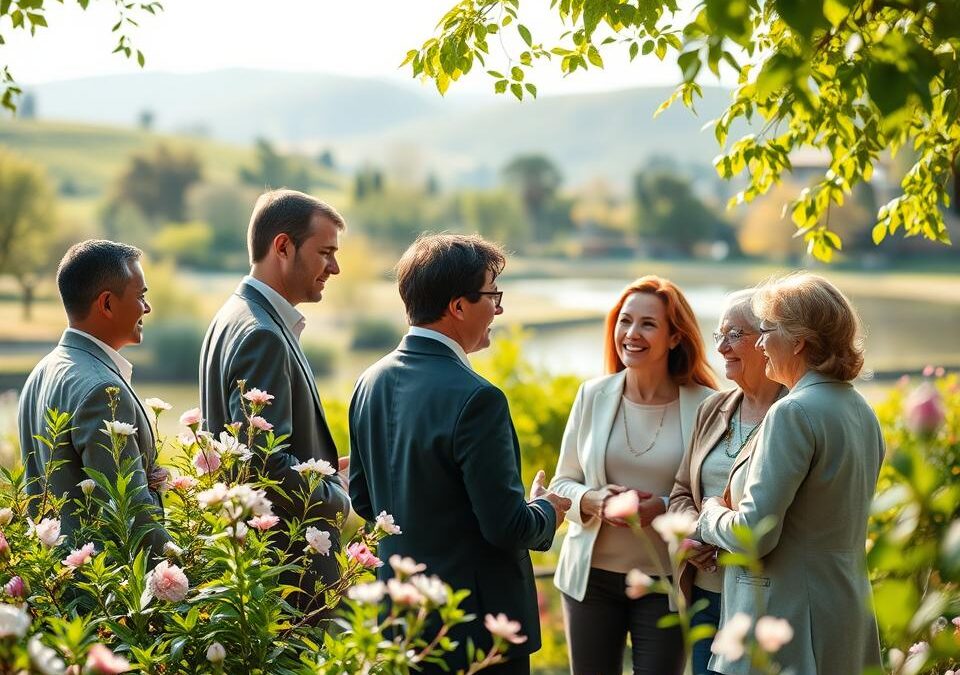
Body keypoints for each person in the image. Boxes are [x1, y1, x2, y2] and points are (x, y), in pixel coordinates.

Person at [348, 233, 570, 675]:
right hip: (473, 631)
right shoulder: (478, 399)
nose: (499, 309)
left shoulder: (368, 382)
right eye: (492, 295)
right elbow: (507, 527)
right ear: (458, 306)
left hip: (398, 622)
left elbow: (365, 502)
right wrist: (548, 509)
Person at [697, 273, 883, 675]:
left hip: (788, 624)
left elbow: (754, 536)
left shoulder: (791, 412)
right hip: (843, 616)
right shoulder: (860, 410)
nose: (760, 344)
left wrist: (710, 514)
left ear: (798, 341)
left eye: (766, 331)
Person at [551, 275, 718, 675]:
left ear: (675, 337)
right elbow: (562, 484)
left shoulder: (708, 405)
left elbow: (716, 497)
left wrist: (662, 510)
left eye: (648, 324)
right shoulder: (592, 395)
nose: (631, 333)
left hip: (666, 583)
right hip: (589, 582)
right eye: (625, 321)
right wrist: (597, 501)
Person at [199, 189, 350, 608]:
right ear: (283, 247)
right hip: (285, 580)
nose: (335, 267)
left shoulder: (231, 316)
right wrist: (338, 493)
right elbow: (262, 467)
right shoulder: (262, 333)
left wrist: (319, 469)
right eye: (325, 252)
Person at [19, 240, 169, 554]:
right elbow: (128, 513)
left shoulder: (40, 373)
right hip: (101, 591)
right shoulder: (101, 390)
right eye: (141, 296)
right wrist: (185, 569)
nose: (147, 307)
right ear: (107, 304)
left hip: (55, 586)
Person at [668, 289, 785, 675]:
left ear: (769, 340)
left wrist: (723, 536)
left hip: (763, 600)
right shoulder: (712, 408)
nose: (721, 347)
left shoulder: (794, 415)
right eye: (719, 334)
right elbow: (683, 490)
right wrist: (693, 535)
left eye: (735, 335)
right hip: (706, 592)